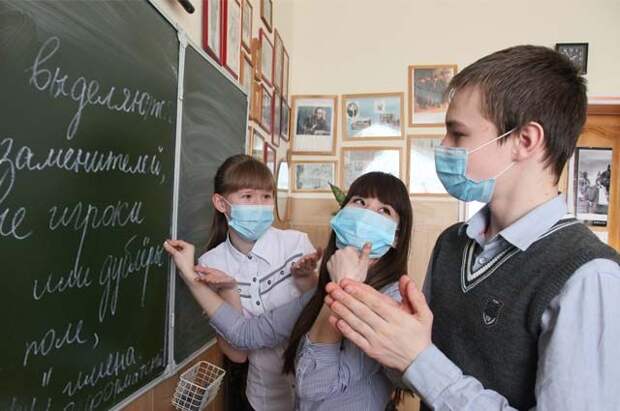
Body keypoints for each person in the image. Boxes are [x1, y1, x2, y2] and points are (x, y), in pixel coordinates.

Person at [326, 45, 620, 410]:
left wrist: (420, 359)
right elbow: (415, 375)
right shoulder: (452, 243)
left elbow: (425, 367)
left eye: (458, 133)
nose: (443, 145)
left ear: (525, 141)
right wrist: (393, 342)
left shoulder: (589, 276)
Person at [165, 172, 414, 410]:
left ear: (396, 236)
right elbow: (246, 334)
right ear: (342, 214)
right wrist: (192, 277)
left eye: (384, 210)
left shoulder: (392, 300)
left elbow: (316, 386)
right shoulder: (322, 292)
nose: (367, 215)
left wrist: (343, 288)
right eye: (360, 202)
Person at [174, 154, 322, 411]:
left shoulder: (296, 244)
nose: (259, 205)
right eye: (248, 196)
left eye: (266, 196)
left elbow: (319, 317)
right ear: (221, 203)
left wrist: (308, 280)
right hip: (264, 398)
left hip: (318, 392)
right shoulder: (211, 264)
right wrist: (228, 290)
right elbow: (237, 353)